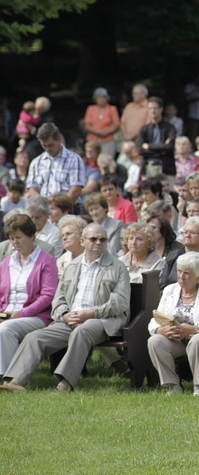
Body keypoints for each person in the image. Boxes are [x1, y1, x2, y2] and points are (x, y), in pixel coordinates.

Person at [0, 223, 130, 392]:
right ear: (82, 241)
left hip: (102, 320)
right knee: (34, 338)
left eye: (103, 239)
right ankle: (15, 381)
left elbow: (119, 303)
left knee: (81, 332)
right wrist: (65, 314)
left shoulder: (117, 267)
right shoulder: (72, 266)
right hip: (71, 319)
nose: (98, 242)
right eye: (93, 239)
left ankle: (65, 383)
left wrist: (90, 314)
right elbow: (58, 299)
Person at [147, 251, 199, 395]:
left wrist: (194, 329)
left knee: (198, 340)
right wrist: (161, 330)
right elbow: (156, 319)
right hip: (175, 340)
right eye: (179, 271)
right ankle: (173, 385)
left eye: (187, 273)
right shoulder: (169, 290)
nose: (181, 276)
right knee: (154, 341)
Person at [0, 214, 58, 375]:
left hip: (36, 316)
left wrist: (21, 313)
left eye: (19, 237)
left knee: (5, 329)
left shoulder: (46, 261)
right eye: (11, 238)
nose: (15, 242)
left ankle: (9, 377)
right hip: (7, 313)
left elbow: (48, 296)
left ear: (32, 236)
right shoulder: (6, 263)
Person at [159, 216, 199, 292]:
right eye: (185, 232)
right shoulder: (173, 255)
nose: (187, 235)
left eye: (192, 233)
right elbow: (163, 286)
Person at [25, 123, 85, 202]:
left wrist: (58, 207)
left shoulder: (74, 160)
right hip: (43, 209)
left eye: (50, 145)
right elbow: (32, 189)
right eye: (44, 146)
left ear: (59, 139)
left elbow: (76, 189)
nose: (47, 149)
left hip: (67, 208)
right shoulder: (36, 162)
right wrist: (43, 205)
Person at [136, 97, 177, 180]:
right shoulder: (144, 129)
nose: (153, 111)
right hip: (148, 167)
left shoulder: (169, 128)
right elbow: (139, 149)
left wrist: (149, 146)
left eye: (155, 108)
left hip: (166, 167)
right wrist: (162, 148)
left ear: (161, 109)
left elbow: (169, 147)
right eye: (150, 108)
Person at [83, 87, 120, 159]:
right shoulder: (90, 109)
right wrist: (98, 132)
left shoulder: (112, 109)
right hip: (93, 140)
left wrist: (105, 133)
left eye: (104, 98)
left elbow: (117, 124)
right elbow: (87, 125)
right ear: (95, 99)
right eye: (99, 98)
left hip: (108, 140)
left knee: (106, 160)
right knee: (92, 160)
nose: (102, 100)